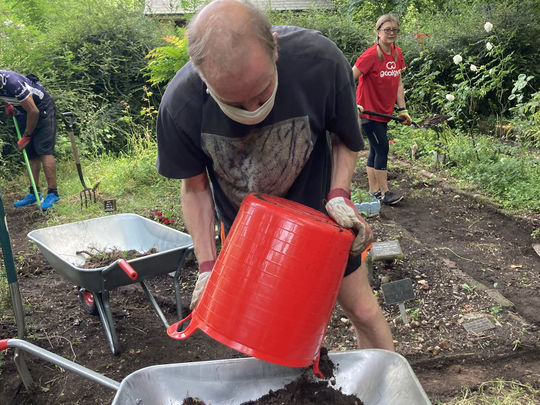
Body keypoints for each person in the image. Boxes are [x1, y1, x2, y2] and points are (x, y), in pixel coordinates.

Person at [156, 0, 394, 351]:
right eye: (235, 103)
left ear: (275, 47)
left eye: (261, 92)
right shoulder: (181, 107)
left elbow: (346, 138)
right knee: (262, 334)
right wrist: (208, 265)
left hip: (322, 222)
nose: (253, 111)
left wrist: (339, 194)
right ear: (202, 76)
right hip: (248, 237)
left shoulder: (322, 64)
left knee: (362, 309)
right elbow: (194, 189)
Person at [352, 14, 412, 205]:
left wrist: (402, 109)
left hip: (384, 112)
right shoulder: (370, 55)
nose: (391, 33)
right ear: (378, 32)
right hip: (368, 112)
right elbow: (347, 78)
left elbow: (398, 83)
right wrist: (351, 103)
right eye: (387, 30)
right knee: (382, 148)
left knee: (375, 151)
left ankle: (373, 192)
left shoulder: (397, 53)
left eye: (395, 30)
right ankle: (386, 193)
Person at [0, 70, 60, 209]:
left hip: (41, 109)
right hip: (24, 111)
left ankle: (53, 193)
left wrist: (27, 136)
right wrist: (7, 104)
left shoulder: (13, 83)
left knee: (44, 151)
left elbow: (34, 111)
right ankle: (34, 193)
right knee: (31, 153)